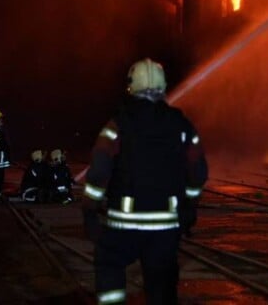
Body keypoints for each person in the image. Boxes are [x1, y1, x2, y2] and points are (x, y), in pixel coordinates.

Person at [82, 57, 208, 304]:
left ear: (132, 87)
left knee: (108, 265)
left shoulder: (117, 125)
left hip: (123, 223)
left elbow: (98, 172)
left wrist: (89, 210)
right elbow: (198, 171)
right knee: (162, 285)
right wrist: (190, 205)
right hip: (165, 225)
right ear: (163, 87)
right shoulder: (181, 126)